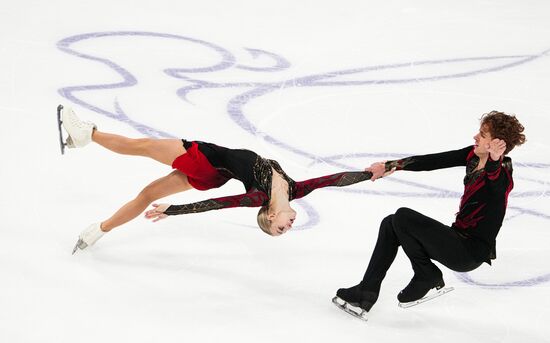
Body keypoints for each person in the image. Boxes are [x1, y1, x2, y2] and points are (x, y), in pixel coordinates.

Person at [58, 106, 373, 254]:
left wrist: (173, 210)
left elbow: (217, 204)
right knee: (146, 193)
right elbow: (334, 179)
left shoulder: (257, 198)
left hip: (207, 161)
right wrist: (372, 173)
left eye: (280, 228)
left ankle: (87, 134)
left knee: (143, 147)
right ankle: (98, 231)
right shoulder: (294, 189)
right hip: (213, 175)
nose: (288, 227)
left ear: (271, 215)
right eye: (283, 229)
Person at [334, 111, 526, 317]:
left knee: (403, 217)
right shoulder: (472, 155)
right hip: (456, 238)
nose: (475, 137)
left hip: (468, 252)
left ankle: (426, 274)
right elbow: (432, 161)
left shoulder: (503, 175)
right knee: (391, 224)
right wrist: (389, 166)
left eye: (482, 134)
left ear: (496, 143)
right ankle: (366, 291)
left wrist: (495, 160)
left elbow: (495, 184)